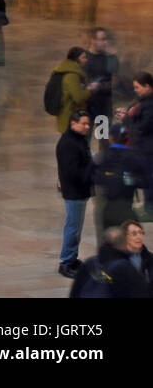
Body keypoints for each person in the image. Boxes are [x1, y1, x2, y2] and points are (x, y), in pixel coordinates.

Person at [57, 110, 94, 278]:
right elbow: (71, 172)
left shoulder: (78, 139)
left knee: (76, 227)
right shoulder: (68, 144)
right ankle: (66, 261)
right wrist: (90, 173)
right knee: (73, 228)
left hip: (80, 191)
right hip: (74, 192)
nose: (87, 127)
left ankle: (72, 257)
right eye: (84, 124)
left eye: (88, 124)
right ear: (73, 123)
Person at [92, 124, 146, 237]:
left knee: (108, 243)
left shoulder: (103, 156)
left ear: (111, 138)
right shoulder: (134, 157)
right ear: (127, 138)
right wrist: (127, 179)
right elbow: (144, 181)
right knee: (130, 245)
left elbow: (93, 177)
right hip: (127, 207)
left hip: (108, 208)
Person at [83, 27, 118, 146]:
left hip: (103, 108)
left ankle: (103, 165)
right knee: (83, 141)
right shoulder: (83, 58)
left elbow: (116, 82)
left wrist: (102, 86)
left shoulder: (111, 59)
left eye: (106, 39)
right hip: (86, 107)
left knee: (104, 141)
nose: (105, 42)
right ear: (93, 40)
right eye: (101, 39)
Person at [52, 46, 95, 134]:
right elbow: (78, 98)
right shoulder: (72, 75)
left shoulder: (65, 70)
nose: (86, 60)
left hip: (66, 114)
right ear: (76, 58)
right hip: (71, 116)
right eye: (83, 57)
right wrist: (89, 90)